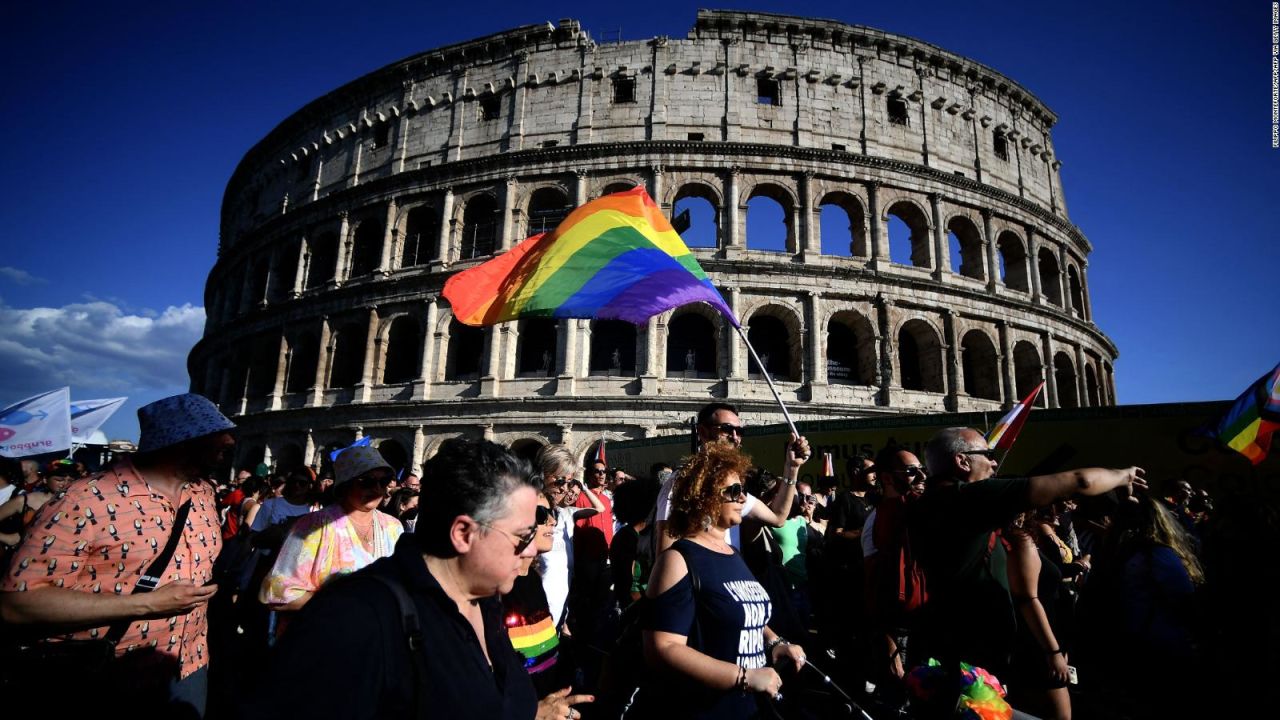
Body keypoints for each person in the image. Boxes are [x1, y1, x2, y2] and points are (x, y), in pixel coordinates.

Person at [239, 438, 593, 720]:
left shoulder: (483, 599)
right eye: (521, 536)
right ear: (464, 533)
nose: (532, 551)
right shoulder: (353, 622)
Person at [0, 393, 234, 717]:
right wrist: (147, 603)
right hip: (103, 674)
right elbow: (17, 604)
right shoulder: (85, 499)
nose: (229, 441)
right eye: (216, 433)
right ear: (182, 441)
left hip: (188, 665)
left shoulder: (204, 494)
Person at [908, 426, 1147, 678]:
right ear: (962, 461)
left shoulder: (927, 503)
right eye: (987, 454)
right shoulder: (967, 498)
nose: (993, 463)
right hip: (969, 653)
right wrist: (1124, 475)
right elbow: (1081, 481)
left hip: (941, 639)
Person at [635, 443, 806, 718]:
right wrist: (744, 677)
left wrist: (775, 642)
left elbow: (742, 612)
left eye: (744, 491)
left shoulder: (732, 554)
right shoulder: (678, 559)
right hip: (707, 709)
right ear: (704, 498)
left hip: (751, 707)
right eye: (735, 491)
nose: (743, 499)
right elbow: (661, 647)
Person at [259, 446, 404, 614]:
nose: (377, 488)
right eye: (367, 481)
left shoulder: (393, 527)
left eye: (384, 481)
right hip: (326, 633)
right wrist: (346, 604)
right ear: (346, 483)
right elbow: (276, 594)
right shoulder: (313, 526)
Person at [654, 403, 810, 554]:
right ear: (702, 432)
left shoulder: (733, 488)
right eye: (727, 429)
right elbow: (666, 553)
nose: (735, 437)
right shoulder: (682, 482)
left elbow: (778, 517)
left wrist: (792, 468)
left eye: (739, 431)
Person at [503, 487, 572, 698]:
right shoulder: (500, 588)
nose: (553, 521)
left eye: (553, 513)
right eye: (542, 514)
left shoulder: (532, 577)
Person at [536, 444, 603, 629]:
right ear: (543, 474)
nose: (565, 489)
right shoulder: (531, 513)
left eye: (569, 482)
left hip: (559, 611)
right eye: (560, 481)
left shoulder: (561, 513)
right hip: (534, 614)